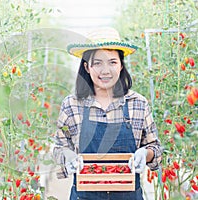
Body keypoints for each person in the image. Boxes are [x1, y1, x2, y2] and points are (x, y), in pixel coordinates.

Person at [53, 27, 163, 200]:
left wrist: (145, 154)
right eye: (97, 63)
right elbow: (59, 148)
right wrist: (68, 156)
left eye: (112, 62)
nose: (105, 71)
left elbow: (154, 148)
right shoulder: (72, 105)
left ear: (121, 65)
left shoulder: (137, 104)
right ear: (87, 67)